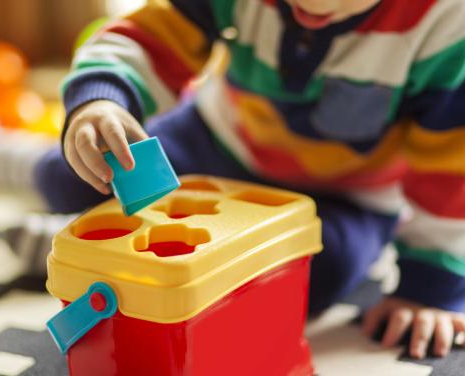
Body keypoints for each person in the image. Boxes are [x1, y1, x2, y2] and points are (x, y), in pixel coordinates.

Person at [35, 0, 465, 359]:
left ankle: (69, 249)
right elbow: (150, 35)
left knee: (300, 280)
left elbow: (453, 162)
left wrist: (432, 284)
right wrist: (101, 102)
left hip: (349, 195)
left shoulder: (445, 22)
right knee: (72, 170)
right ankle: (16, 169)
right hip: (219, 142)